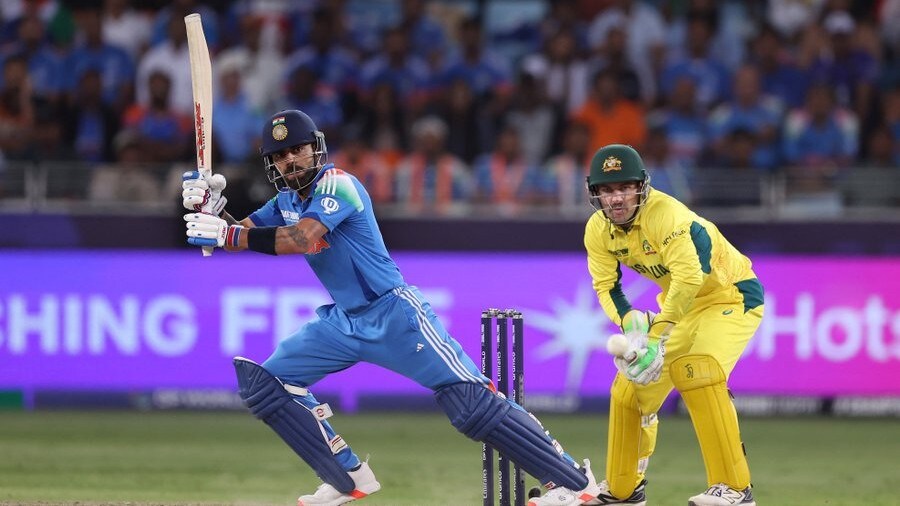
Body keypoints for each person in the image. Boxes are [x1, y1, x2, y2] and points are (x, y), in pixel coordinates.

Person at [180, 109, 601, 505]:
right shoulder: (285, 202)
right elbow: (239, 235)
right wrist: (213, 210)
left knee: (471, 406)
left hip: (394, 315)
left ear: (315, 148)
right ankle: (346, 476)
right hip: (344, 322)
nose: (290, 160)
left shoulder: (337, 184)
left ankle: (572, 482)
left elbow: (301, 239)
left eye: (297, 149)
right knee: (267, 384)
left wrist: (227, 235)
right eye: (280, 155)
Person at [532, 144, 763, 506]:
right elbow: (606, 286)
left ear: (641, 187)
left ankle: (735, 488)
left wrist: (656, 337)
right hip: (682, 308)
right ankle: (624, 491)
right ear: (595, 193)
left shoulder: (667, 216)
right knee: (631, 388)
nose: (616, 198)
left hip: (730, 296)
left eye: (624, 187)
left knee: (698, 370)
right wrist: (632, 326)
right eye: (607, 190)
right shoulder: (597, 229)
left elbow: (689, 279)